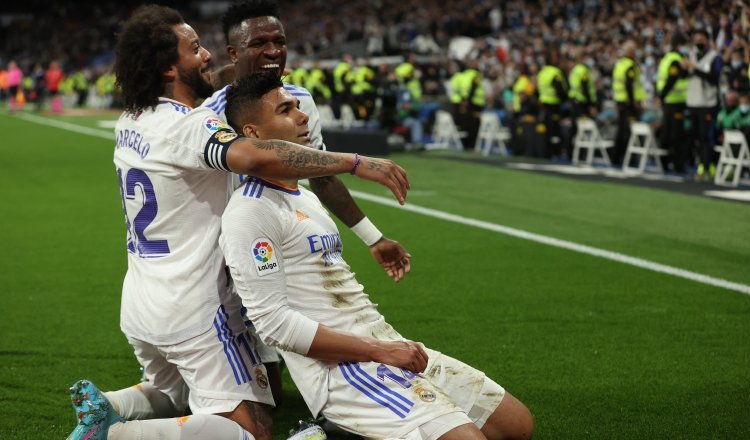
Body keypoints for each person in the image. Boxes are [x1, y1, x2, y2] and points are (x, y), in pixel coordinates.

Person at [66, 5, 410, 440]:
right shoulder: (190, 126)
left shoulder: (131, 119)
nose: (208, 56)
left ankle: (112, 406)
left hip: (141, 298)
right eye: (195, 49)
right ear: (169, 67)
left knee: (174, 392)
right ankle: (114, 437)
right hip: (194, 304)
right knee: (250, 429)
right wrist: (355, 162)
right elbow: (252, 155)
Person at [220, 71, 534, 440]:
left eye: (297, 106)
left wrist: (385, 345)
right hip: (340, 372)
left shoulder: (303, 196)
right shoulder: (249, 212)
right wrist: (377, 351)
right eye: (286, 110)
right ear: (254, 134)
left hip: (381, 344)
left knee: (517, 427)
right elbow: (274, 325)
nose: (302, 116)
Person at [211, 0, 412, 407]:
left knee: (279, 383)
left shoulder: (299, 101)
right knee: (252, 398)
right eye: (258, 43)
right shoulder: (208, 113)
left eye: (279, 41)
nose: (272, 51)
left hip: (284, 242)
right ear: (234, 53)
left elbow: (320, 173)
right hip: (223, 251)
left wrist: (372, 238)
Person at [684, 29, 722, 181]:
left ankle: (707, 167)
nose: (698, 42)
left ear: (707, 40)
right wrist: (684, 67)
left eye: (701, 39)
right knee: (697, 137)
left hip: (708, 103)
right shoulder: (691, 56)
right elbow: (684, 75)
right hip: (693, 102)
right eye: (696, 39)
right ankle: (701, 165)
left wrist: (695, 68)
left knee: (706, 136)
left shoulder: (715, 58)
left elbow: (714, 78)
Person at [657, 32, 690, 173]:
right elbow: (672, 80)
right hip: (674, 102)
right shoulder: (676, 59)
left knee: (667, 133)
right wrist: (662, 96)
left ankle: (664, 163)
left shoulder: (666, 58)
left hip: (669, 102)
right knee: (676, 135)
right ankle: (677, 165)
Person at [612, 40, 645, 166]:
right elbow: (629, 84)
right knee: (629, 132)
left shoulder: (619, 64)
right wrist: (633, 102)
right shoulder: (630, 65)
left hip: (620, 101)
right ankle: (629, 159)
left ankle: (616, 157)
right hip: (629, 104)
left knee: (621, 131)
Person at [536, 48, 568, 158]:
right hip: (553, 104)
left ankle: (543, 151)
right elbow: (560, 90)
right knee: (554, 131)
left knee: (545, 130)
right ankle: (553, 152)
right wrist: (565, 99)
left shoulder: (542, 72)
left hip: (543, 104)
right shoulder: (555, 73)